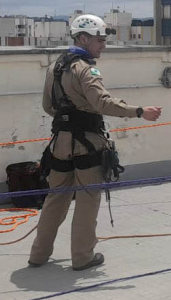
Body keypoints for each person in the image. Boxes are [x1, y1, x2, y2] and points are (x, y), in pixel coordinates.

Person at [28, 14, 161, 271]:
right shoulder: (85, 69)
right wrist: (139, 111)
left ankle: (38, 254)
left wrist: (68, 119)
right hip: (86, 143)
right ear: (83, 38)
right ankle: (82, 257)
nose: (103, 46)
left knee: (55, 199)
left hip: (60, 143)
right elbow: (103, 103)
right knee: (87, 200)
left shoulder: (55, 67)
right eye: (99, 40)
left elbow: (48, 106)